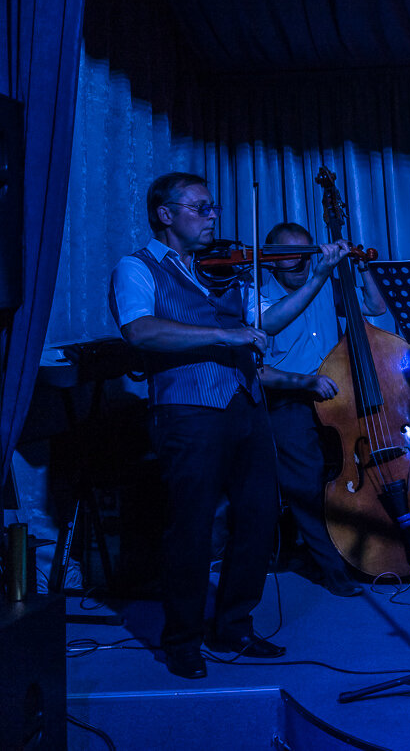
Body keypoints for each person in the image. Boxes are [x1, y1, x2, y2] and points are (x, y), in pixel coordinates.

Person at [108, 172, 291, 679]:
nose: (214, 217)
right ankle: (182, 639)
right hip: (188, 409)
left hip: (245, 402)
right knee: (191, 527)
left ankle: (233, 624)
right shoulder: (135, 267)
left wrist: (318, 276)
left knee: (257, 518)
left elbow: (267, 322)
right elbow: (140, 330)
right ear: (166, 214)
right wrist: (222, 333)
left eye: (214, 208)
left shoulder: (223, 271)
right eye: (202, 208)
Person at [257, 221, 389, 597]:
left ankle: (365, 548)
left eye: (306, 253)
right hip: (289, 398)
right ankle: (333, 569)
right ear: (270, 261)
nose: (299, 262)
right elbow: (257, 371)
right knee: (308, 483)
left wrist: (361, 266)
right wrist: (304, 382)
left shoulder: (327, 288)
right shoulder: (258, 298)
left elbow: (375, 307)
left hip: (337, 397)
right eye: (288, 256)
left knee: (352, 475)